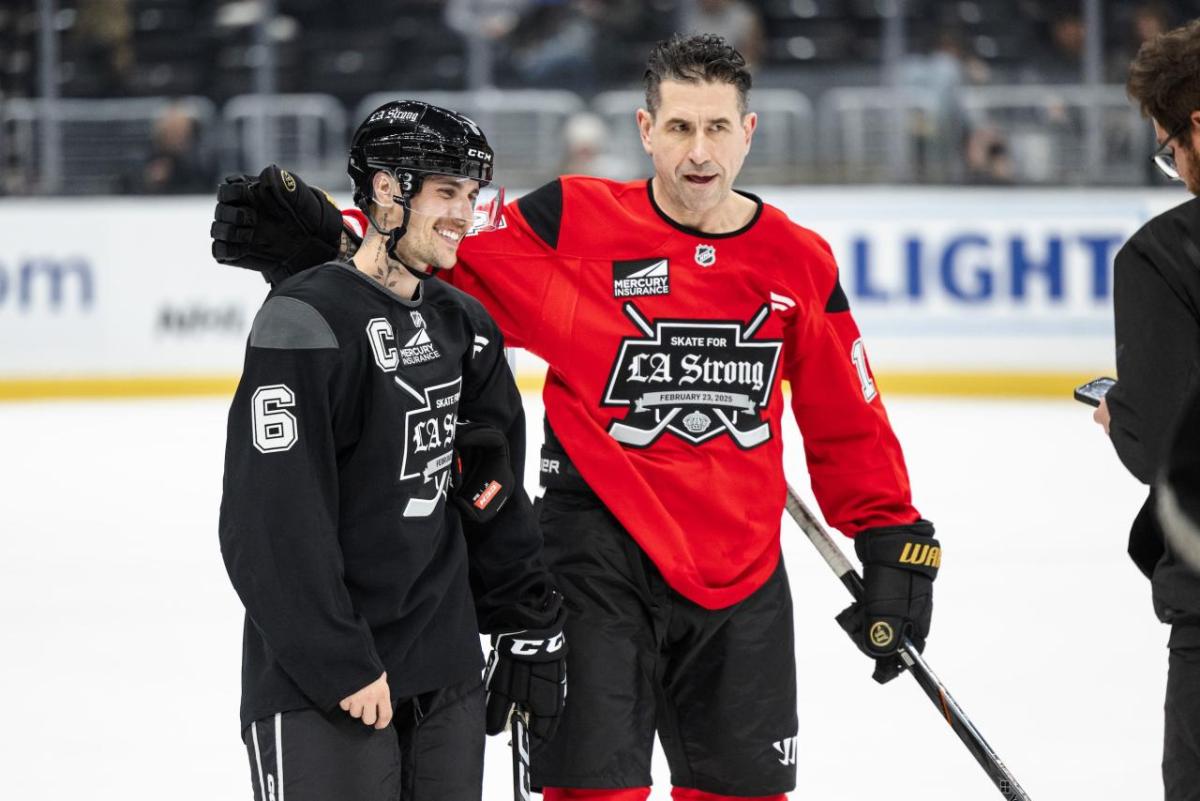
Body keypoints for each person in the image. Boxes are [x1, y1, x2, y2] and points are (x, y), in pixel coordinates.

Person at [213, 35, 940, 801]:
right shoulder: (574, 223)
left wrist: (889, 533)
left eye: (719, 128)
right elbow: (442, 261)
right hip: (597, 561)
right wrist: (336, 242)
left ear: (748, 131)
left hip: (741, 569)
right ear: (644, 129)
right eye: (680, 127)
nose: (700, 150)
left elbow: (845, 413)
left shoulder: (799, 260)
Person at [216, 100, 567, 801]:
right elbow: (271, 522)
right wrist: (339, 659)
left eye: (470, 195)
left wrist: (530, 618)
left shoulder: (465, 325)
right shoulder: (304, 319)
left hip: (444, 668)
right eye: (446, 192)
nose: (465, 214)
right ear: (386, 189)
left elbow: (490, 488)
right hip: (325, 677)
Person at [1092, 19, 1200, 801]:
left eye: (1170, 149)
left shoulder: (1164, 254)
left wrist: (1123, 414)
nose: (1178, 168)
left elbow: (1167, 447)